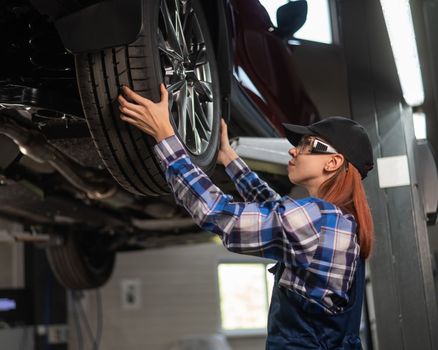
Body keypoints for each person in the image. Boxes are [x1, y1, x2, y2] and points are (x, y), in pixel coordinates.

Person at [117, 84, 375, 349]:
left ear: (332, 162)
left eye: (308, 145)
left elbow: (218, 214)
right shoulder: (337, 222)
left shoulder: (319, 220)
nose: (294, 150)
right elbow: (276, 209)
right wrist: (229, 159)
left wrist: (166, 137)